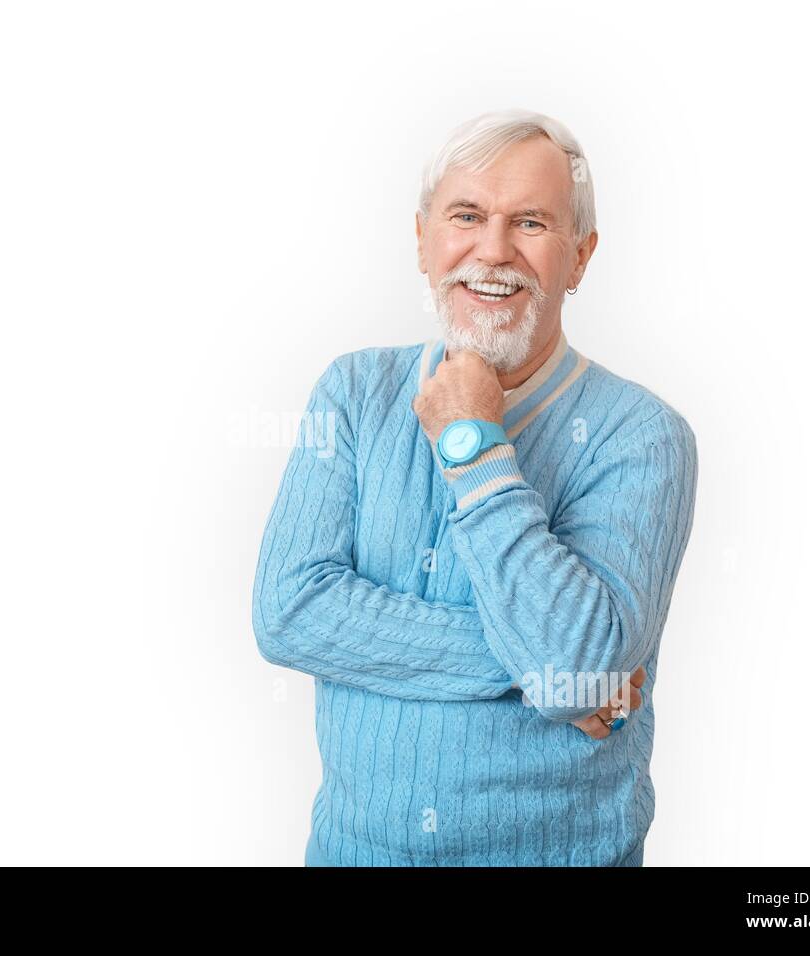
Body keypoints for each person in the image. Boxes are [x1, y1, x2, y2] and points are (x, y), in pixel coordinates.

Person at [251, 108, 698, 866]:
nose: (492, 250)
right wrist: (555, 673)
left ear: (580, 259)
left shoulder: (644, 435)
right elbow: (289, 611)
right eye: (467, 215)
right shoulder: (354, 393)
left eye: (530, 222)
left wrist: (474, 445)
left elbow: (579, 665)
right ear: (424, 238)